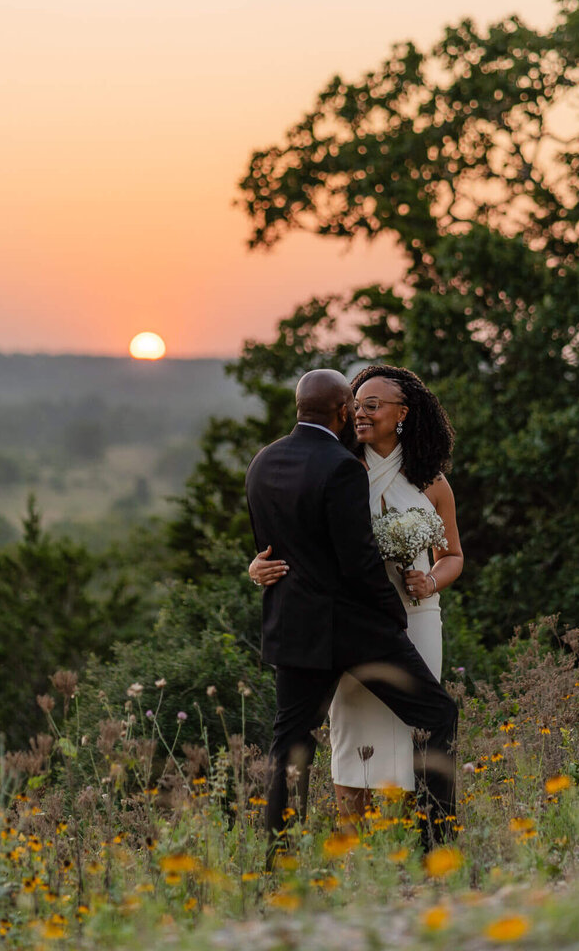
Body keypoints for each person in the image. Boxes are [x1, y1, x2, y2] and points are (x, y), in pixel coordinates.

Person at [245, 368, 458, 866]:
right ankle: (437, 847)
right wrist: (392, 619)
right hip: (360, 628)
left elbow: (276, 542)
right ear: (341, 411)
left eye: (373, 404)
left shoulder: (263, 461)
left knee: (290, 746)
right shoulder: (343, 466)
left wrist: (258, 563)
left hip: (295, 628)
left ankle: (278, 862)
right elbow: (358, 564)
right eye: (356, 405)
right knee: (437, 715)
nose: (360, 413)